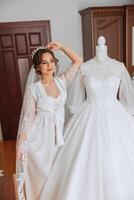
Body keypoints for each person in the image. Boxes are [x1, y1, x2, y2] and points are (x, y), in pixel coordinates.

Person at [39, 36, 134, 200]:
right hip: (89, 113)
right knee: (81, 158)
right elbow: (76, 101)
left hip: (115, 116)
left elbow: (128, 101)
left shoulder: (119, 67)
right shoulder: (85, 68)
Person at [16, 42, 83, 200]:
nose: (49, 65)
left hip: (60, 136)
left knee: (60, 174)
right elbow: (28, 118)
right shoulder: (34, 89)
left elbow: (78, 60)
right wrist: (21, 142)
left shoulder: (62, 81)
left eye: (51, 61)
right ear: (38, 67)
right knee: (44, 175)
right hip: (40, 138)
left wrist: (62, 47)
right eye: (44, 63)